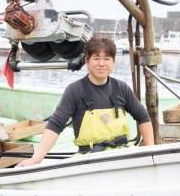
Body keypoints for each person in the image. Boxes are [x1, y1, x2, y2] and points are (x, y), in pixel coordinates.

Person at [16, 36, 154, 167]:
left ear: (113, 62)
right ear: (87, 61)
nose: (101, 64)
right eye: (96, 58)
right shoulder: (75, 91)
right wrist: (37, 158)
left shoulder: (122, 88)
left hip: (121, 156)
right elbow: (56, 125)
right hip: (89, 160)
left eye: (106, 59)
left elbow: (143, 117)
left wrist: (150, 152)